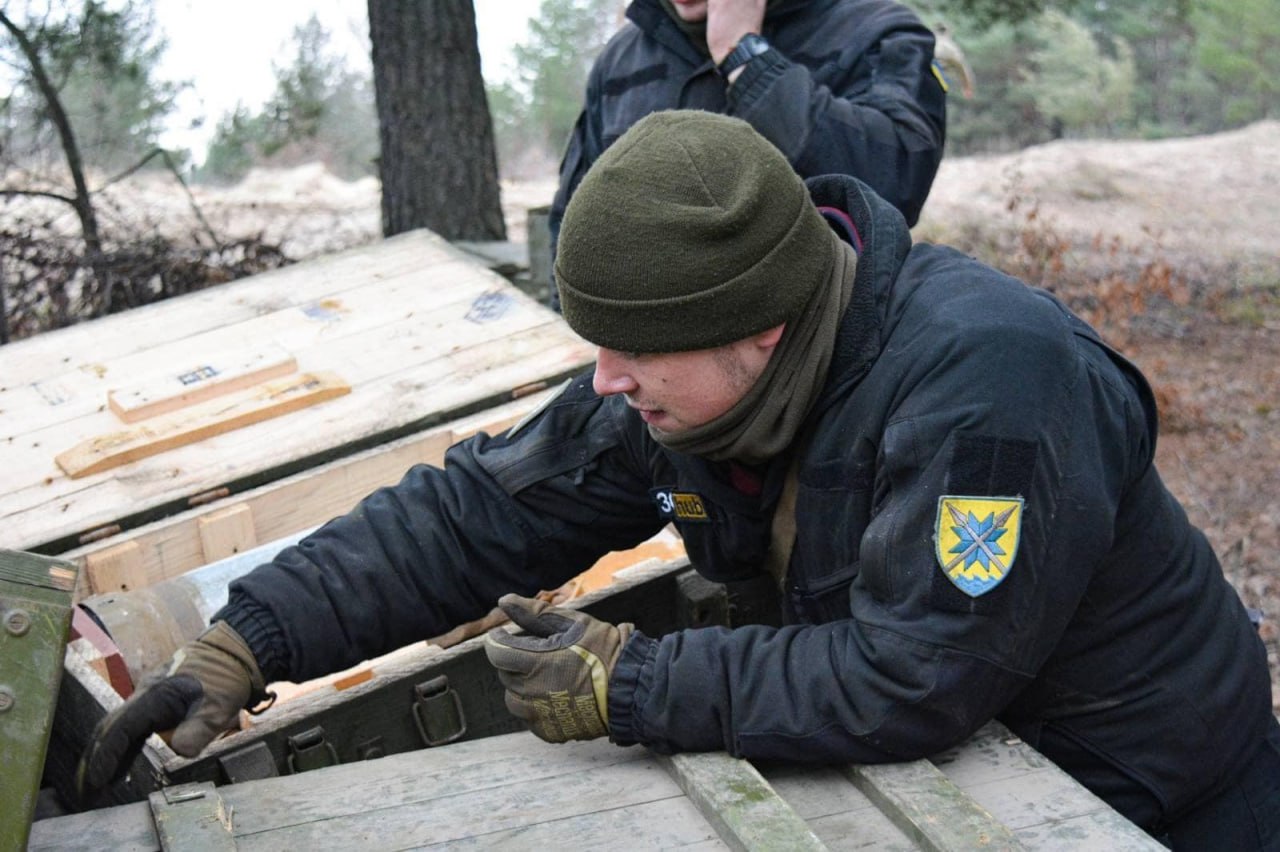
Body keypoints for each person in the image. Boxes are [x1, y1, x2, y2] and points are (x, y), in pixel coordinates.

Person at [79, 111, 1278, 849]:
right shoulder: (678, 382)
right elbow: (481, 512)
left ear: (760, 329)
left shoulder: (991, 387)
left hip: (1144, 802)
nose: (604, 381)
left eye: (631, 351)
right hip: (955, 782)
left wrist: (633, 683)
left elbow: (915, 674)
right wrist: (248, 642)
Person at [545, 0, 949, 309]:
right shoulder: (620, 59)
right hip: (653, 362)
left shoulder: (877, 30)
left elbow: (895, 184)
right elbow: (575, 224)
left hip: (825, 357)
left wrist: (745, 55)